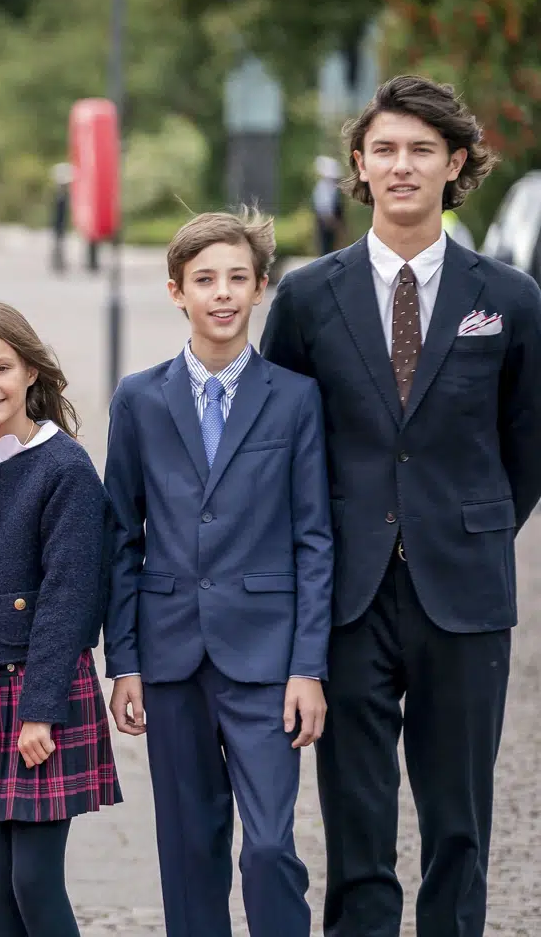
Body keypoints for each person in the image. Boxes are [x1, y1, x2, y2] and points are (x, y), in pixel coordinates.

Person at [261, 75, 541, 937]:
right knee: (356, 813)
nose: (402, 165)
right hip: (347, 590)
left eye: (423, 149)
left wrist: (466, 523)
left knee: (459, 817)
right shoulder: (308, 297)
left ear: (455, 163)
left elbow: (526, 445)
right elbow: (283, 443)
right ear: (360, 165)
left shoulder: (512, 298)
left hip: (464, 592)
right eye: (385, 149)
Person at [105, 209, 332, 937]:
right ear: (177, 291)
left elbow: (314, 539)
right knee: (189, 850)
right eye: (205, 279)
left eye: (238, 277)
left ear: (262, 287)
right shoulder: (139, 399)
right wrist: (126, 662)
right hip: (170, 655)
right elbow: (121, 537)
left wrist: (308, 666)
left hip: (266, 658)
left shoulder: (295, 399)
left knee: (268, 847)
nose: (223, 293)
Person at [0, 302, 120, 936]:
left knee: (34, 882)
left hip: (43, 693)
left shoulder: (64, 468)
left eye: (2, 368)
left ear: (32, 371)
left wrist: (40, 708)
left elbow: (70, 598)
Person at [312, 155, 347, 256]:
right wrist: (331, 221)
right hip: (326, 222)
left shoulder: (332, 189)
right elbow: (324, 207)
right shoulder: (323, 188)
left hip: (331, 222)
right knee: (326, 247)